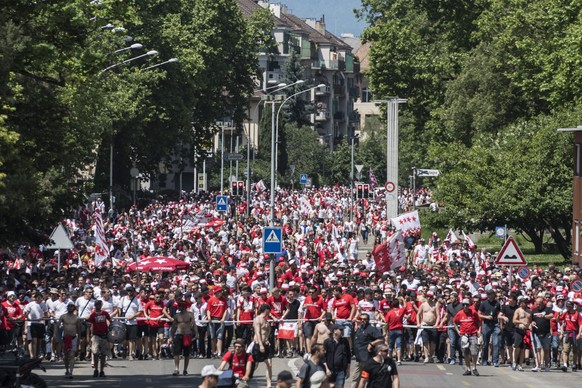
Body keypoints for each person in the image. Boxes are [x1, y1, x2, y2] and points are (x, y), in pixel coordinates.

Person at [352, 313, 384, 387]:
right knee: (355, 378)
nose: (362, 321)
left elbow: (381, 338)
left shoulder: (371, 329)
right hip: (359, 359)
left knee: (366, 379)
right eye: (361, 319)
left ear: (368, 320)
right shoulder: (360, 329)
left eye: (365, 319)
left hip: (367, 359)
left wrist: (372, 343)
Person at [453, 298, 481, 376]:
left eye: (467, 305)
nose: (465, 306)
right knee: (465, 352)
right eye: (464, 305)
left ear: (469, 305)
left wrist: (479, 331)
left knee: (474, 352)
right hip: (464, 335)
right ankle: (468, 369)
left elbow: (479, 322)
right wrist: (458, 331)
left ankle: (474, 368)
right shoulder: (459, 313)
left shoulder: (473, 312)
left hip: (473, 334)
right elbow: (454, 321)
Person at [169, 300, 197, 376]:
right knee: (176, 353)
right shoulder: (177, 316)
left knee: (187, 354)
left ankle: (185, 369)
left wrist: (196, 334)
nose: (179, 308)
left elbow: (194, 325)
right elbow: (173, 327)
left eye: (181, 306)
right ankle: (176, 369)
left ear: (184, 307)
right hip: (179, 335)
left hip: (187, 335)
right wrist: (171, 336)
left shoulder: (190, 315)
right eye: (179, 306)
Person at [55, 303, 81, 379]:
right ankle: (66, 370)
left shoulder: (77, 318)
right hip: (65, 338)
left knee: (72, 355)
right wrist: (56, 335)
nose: (70, 307)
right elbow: (57, 326)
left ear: (74, 308)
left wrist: (78, 341)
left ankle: (71, 372)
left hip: (73, 338)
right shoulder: (63, 316)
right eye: (68, 306)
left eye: (71, 306)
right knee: (66, 356)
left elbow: (79, 330)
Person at [86, 299, 111, 377]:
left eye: (99, 304)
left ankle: (102, 371)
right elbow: (89, 326)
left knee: (103, 354)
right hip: (96, 336)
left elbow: (110, 321)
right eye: (97, 304)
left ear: (101, 305)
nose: (98, 306)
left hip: (104, 336)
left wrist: (110, 333)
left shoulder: (105, 313)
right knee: (95, 353)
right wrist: (88, 336)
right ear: (95, 305)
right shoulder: (93, 315)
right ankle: (96, 370)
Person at [478, 289, 501, 366]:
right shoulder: (484, 303)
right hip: (487, 324)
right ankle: (484, 360)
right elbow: (479, 314)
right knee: (485, 343)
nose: (489, 295)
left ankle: (495, 361)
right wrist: (486, 317)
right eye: (488, 294)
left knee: (496, 343)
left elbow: (499, 313)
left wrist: (500, 322)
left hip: (495, 324)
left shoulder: (497, 303)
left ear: (493, 295)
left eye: (490, 294)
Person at [118, 286, 142, 360]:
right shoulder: (123, 299)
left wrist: (133, 316)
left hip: (133, 322)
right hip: (124, 321)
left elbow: (140, 311)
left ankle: (130, 354)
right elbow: (119, 308)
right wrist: (120, 317)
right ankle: (124, 349)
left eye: (131, 291)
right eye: (128, 291)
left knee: (132, 339)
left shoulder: (137, 300)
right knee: (124, 339)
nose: (129, 292)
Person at [23, 292, 49, 359]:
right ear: (35, 298)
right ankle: (34, 356)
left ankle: (37, 355)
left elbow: (46, 314)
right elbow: (26, 313)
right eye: (37, 297)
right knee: (34, 340)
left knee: (39, 341)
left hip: (41, 324)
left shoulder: (44, 305)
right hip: (33, 324)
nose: (38, 299)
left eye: (40, 297)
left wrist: (43, 317)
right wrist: (27, 316)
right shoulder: (30, 304)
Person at [530, 296, 553, 371]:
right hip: (536, 332)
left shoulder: (547, 309)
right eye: (536, 304)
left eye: (539, 304)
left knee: (546, 349)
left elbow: (551, 315)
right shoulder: (534, 310)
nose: (538, 305)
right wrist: (532, 323)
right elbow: (531, 320)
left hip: (546, 333)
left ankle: (546, 365)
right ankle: (538, 365)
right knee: (538, 349)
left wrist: (544, 316)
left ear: (543, 303)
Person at [417, 290, 440, 364]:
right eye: (428, 297)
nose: (429, 298)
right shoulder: (423, 305)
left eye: (430, 297)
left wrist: (436, 324)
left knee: (433, 343)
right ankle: (426, 357)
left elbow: (438, 316)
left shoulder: (435, 305)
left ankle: (430, 355)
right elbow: (418, 314)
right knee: (425, 342)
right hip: (425, 325)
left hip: (433, 326)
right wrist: (418, 323)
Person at [253, 304, 273, 388]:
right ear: (266, 310)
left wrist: (267, 339)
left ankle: (269, 384)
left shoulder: (266, 320)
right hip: (258, 344)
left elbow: (266, 333)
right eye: (269, 310)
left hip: (265, 344)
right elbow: (257, 333)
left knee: (269, 364)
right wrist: (261, 345)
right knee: (255, 364)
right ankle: (247, 377)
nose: (270, 312)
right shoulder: (258, 319)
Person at [559, 300, 581, 372]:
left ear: (572, 307)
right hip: (567, 333)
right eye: (567, 306)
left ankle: (574, 364)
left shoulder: (577, 314)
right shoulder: (565, 313)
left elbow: (581, 325)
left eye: (569, 306)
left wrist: (579, 334)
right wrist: (559, 315)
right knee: (565, 350)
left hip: (575, 333)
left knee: (575, 350)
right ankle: (565, 364)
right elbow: (558, 320)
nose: (568, 308)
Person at [206, 286, 228, 358]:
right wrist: (209, 317)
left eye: (221, 291)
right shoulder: (211, 300)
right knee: (213, 337)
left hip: (220, 320)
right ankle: (213, 351)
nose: (221, 293)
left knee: (220, 337)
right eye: (219, 292)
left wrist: (223, 318)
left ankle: (219, 352)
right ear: (215, 292)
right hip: (213, 319)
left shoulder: (223, 300)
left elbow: (226, 310)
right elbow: (208, 309)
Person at [512, 296, 531, 372]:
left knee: (524, 348)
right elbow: (514, 321)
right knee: (517, 348)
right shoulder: (518, 310)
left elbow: (530, 320)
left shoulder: (529, 311)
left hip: (526, 331)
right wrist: (522, 322)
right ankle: (514, 362)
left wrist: (530, 324)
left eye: (526, 302)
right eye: (524, 302)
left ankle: (520, 365)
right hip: (519, 330)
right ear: (520, 303)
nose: (525, 303)